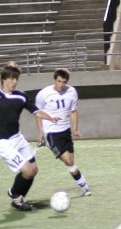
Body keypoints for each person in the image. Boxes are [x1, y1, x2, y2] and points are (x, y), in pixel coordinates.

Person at [0, 62, 59, 211]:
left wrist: (51, 117)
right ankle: (15, 194)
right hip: (3, 143)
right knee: (27, 170)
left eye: (16, 79)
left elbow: (36, 111)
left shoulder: (21, 97)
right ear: (3, 79)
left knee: (33, 169)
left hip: (17, 139)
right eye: (11, 79)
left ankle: (18, 197)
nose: (14, 82)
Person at [35, 67, 91, 196]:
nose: (61, 85)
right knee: (68, 160)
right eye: (59, 81)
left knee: (71, 161)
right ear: (54, 80)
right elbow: (37, 114)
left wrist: (75, 129)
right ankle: (84, 186)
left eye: (64, 82)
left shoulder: (72, 92)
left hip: (66, 131)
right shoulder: (43, 94)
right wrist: (41, 134)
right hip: (51, 132)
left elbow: (73, 111)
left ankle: (82, 186)